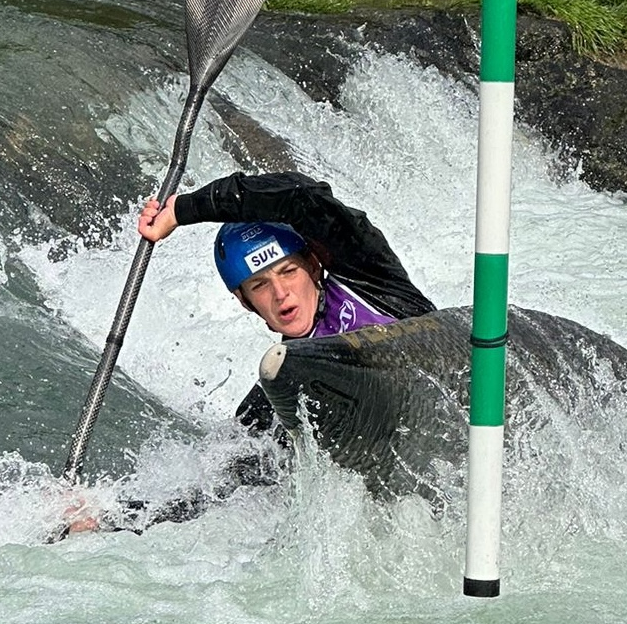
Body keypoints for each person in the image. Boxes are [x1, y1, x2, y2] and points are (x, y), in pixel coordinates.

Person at [60, 170, 435, 536]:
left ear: (314, 265)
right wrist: (107, 519)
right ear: (245, 302)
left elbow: (299, 195)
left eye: (288, 271)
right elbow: (218, 488)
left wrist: (183, 210)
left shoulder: (369, 276)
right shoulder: (280, 393)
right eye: (260, 284)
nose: (281, 294)